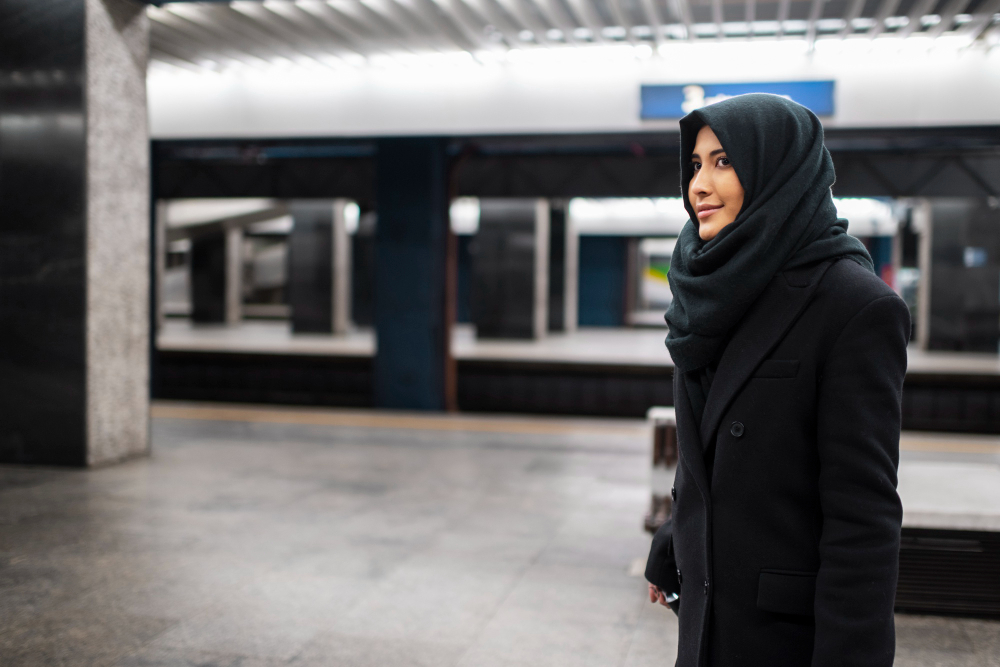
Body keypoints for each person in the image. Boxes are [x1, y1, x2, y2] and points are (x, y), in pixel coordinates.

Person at [644, 94, 910, 667]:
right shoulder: (709, 289)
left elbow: (863, 520)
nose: (699, 186)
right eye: (695, 165)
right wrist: (675, 540)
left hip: (785, 638)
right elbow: (711, 450)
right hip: (707, 622)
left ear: (778, 170)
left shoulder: (853, 306)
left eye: (723, 162)